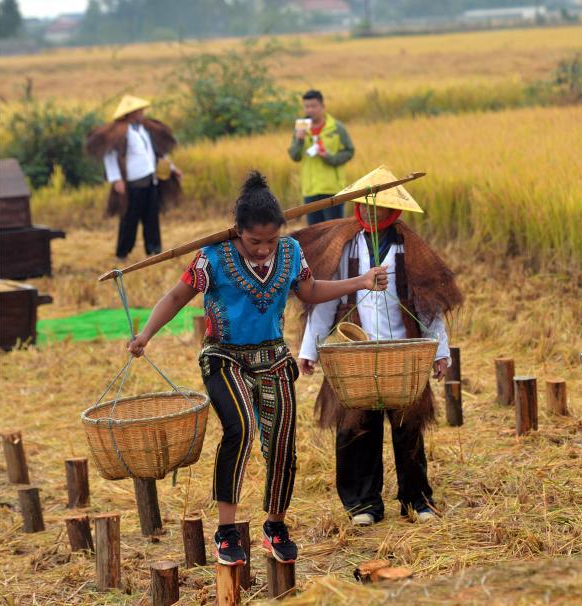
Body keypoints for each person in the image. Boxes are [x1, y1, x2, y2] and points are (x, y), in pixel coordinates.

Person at [126, 171, 388, 566]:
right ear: (238, 231)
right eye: (254, 242)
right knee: (241, 428)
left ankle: (275, 525)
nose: (264, 250)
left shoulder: (290, 252)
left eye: (270, 240)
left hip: (273, 359)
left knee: (282, 442)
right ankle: (227, 532)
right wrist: (145, 334)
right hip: (223, 357)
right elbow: (177, 295)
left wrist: (361, 281)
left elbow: (311, 291)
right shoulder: (212, 257)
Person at [294, 168, 463, 527]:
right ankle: (363, 504)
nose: (370, 212)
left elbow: (428, 304)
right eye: (364, 205)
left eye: (379, 207)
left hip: (403, 350)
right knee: (356, 425)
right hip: (355, 351)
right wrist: (310, 348)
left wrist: (440, 350)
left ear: (393, 211)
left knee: (409, 425)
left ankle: (416, 499)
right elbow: (324, 300)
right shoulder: (344, 245)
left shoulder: (410, 248)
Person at [85, 95, 183, 260]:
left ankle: (154, 251)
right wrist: (116, 179)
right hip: (132, 183)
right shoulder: (119, 132)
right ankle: (123, 253)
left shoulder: (145, 129)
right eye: (138, 111)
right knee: (129, 219)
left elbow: (157, 153)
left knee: (151, 217)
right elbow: (109, 157)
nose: (142, 113)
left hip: (151, 179)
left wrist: (172, 168)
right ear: (130, 113)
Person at [288, 89, 355, 225]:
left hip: (332, 189)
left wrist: (330, 157)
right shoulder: (300, 127)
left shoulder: (336, 128)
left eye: (314, 106)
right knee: (313, 233)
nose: (310, 110)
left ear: (323, 107)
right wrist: (299, 140)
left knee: (334, 230)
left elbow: (349, 151)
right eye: (307, 107)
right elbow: (295, 156)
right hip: (310, 189)